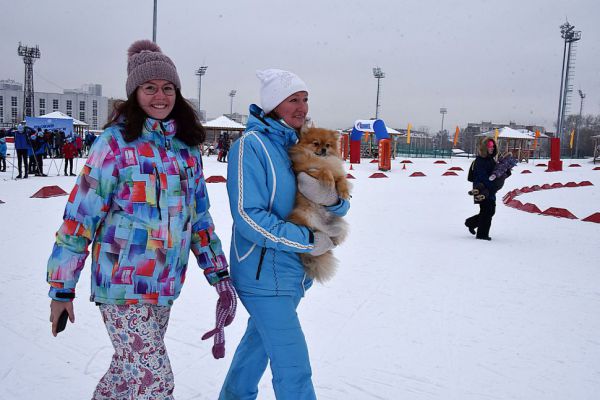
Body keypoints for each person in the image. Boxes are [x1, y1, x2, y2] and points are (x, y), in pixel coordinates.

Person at [46, 39, 237, 400]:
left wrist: (220, 276)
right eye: (149, 88)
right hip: (121, 286)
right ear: (135, 93)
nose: (160, 96)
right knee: (154, 382)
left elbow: (199, 220)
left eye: (167, 88)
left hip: (164, 285)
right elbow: (79, 218)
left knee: (126, 372)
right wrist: (61, 287)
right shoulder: (114, 144)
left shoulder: (186, 149)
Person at [220, 69, 350, 399]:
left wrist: (335, 201)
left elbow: (333, 197)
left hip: (294, 272)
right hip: (262, 275)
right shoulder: (250, 147)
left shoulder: (296, 146)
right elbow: (250, 216)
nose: (302, 107)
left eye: (305, 99)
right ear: (274, 104)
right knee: (294, 369)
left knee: (255, 352)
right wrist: (308, 240)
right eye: (293, 100)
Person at [465, 137, 504, 240]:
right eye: (490, 146)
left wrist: (505, 172)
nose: (492, 148)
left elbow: (496, 173)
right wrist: (492, 185)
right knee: (487, 211)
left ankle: (471, 223)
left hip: (490, 189)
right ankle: (482, 234)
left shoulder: (491, 160)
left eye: (493, 146)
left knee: (490, 211)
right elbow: (482, 177)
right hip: (481, 189)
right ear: (485, 147)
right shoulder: (480, 161)